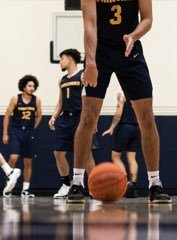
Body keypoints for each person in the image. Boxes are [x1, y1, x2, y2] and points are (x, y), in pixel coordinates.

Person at [66, 0, 171, 204]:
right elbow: (89, 25)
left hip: (130, 50)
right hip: (99, 52)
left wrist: (134, 35)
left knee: (146, 117)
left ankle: (155, 183)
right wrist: (90, 62)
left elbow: (147, 19)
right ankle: (77, 183)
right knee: (88, 118)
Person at [49, 49, 97, 199]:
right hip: (65, 119)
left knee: (86, 154)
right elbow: (60, 102)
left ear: (70, 59)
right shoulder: (62, 80)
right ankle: (66, 184)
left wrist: (93, 120)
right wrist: (53, 116)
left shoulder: (83, 75)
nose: (60, 62)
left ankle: (94, 187)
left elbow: (92, 100)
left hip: (81, 118)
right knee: (58, 152)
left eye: (62, 59)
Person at [2, 75, 42, 197]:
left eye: (34, 86)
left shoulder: (37, 100)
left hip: (29, 132)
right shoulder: (15, 98)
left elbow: (39, 115)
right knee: (13, 157)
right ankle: (9, 184)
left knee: (28, 162)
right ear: (24, 87)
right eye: (30, 86)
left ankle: (25, 189)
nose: (32, 88)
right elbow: (7, 115)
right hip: (16, 131)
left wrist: (33, 128)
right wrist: (5, 133)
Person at [102, 92, 141, 198]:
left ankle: (125, 185)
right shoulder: (140, 94)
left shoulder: (122, 94)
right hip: (137, 128)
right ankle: (133, 187)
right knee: (132, 158)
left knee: (115, 157)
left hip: (125, 127)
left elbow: (119, 112)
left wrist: (111, 128)